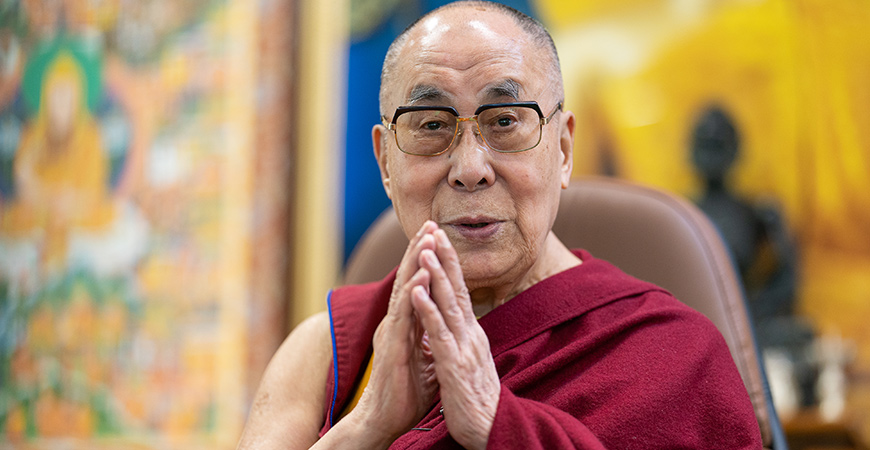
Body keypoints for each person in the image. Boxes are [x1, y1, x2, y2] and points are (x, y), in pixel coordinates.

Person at [238, 2, 762, 449]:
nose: (469, 169)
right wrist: (365, 430)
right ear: (385, 164)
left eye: (505, 120)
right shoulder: (327, 352)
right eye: (432, 126)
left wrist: (497, 422)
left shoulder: (674, 357)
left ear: (562, 150)